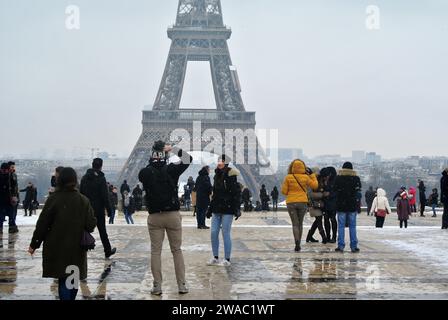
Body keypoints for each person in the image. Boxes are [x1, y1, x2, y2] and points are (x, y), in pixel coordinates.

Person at [28, 167, 97, 300]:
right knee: (72, 279)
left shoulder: (54, 199)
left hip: (57, 246)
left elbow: (42, 224)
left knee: (63, 279)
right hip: (76, 248)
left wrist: (34, 244)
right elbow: (90, 225)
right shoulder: (83, 200)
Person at [138, 141, 192, 295]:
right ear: (165, 155)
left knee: (156, 251)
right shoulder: (171, 169)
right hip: (173, 215)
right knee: (177, 250)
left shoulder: (145, 172)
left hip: (155, 216)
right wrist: (173, 149)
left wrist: (154, 159)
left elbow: (147, 172)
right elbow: (188, 158)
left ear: (152, 155)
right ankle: (181, 285)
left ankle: (157, 286)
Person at [206, 155, 242, 266]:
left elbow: (235, 193)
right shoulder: (216, 175)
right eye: (218, 160)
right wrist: (210, 209)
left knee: (225, 233)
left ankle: (227, 259)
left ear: (225, 163)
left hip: (228, 208)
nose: (219, 162)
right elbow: (215, 194)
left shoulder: (231, 175)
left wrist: (236, 208)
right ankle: (215, 257)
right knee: (213, 233)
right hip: (217, 208)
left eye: (221, 161)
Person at [80, 158, 116, 259]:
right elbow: (105, 196)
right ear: (101, 166)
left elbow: (81, 194)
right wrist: (109, 210)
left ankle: (80, 249)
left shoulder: (84, 178)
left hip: (87, 209)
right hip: (98, 209)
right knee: (102, 231)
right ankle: (107, 250)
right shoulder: (101, 179)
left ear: (92, 165)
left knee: (83, 230)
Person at [281, 159, 318, 252]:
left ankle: (296, 242)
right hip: (302, 202)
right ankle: (299, 243)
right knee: (300, 224)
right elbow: (315, 186)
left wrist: (292, 191)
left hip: (291, 202)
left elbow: (284, 191)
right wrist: (312, 175)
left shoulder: (288, 177)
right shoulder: (306, 177)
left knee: (295, 224)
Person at [334, 162, 362, 253]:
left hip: (341, 205)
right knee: (352, 226)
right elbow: (358, 193)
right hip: (352, 205)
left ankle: (341, 246)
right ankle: (354, 246)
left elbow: (334, 191)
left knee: (341, 226)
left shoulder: (338, 178)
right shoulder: (356, 179)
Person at [306, 170, 328, 244]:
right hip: (314, 204)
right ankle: (323, 236)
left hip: (318, 204)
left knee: (317, 221)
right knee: (319, 220)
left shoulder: (321, 182)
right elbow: (310, 194)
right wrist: (322, 194)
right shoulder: (312, 182)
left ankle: (309, 236)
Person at [0, 163, 19, 234]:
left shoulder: (11, 176)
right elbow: (14, 187)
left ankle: (10, 228)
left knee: (5, 215)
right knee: (10, 215)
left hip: (7, 199)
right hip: (7, 199)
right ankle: (11, 228)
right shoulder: (11, 176)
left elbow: (14, 187)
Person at [321, 167, 338, 244]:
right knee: (326, 220)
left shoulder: (335, 180)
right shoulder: (324, 180)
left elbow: (337, 192)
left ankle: (334, 237)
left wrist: (329, 194)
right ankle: (328, 236)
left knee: (333, 219)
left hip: (333, 203)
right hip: (325, 203)